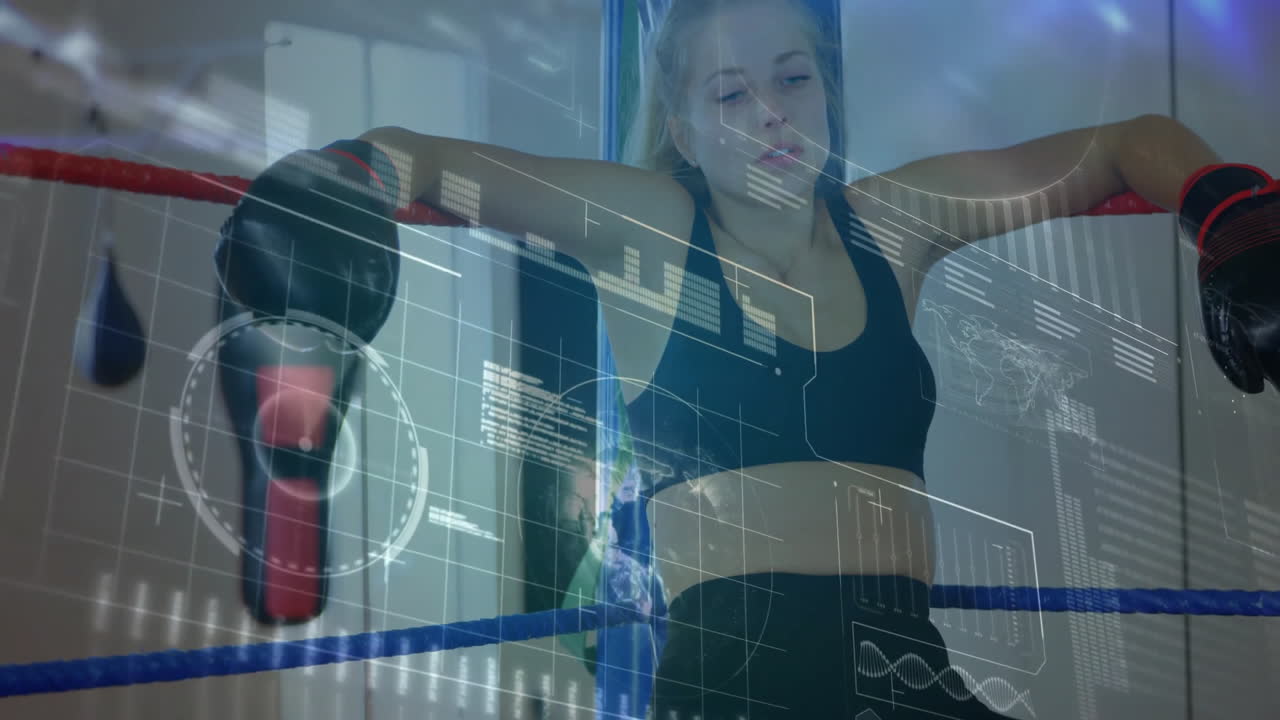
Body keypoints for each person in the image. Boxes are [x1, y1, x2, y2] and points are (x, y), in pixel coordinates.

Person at [217, 1, 1279, 715]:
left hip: (905, 677)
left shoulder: (889, 226)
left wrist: (1226, 212)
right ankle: (293, 423)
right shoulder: (646, 227)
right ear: (680, 125)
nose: (771, 117)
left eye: (792, 80)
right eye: (729, 96)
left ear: (826, 89)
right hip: (735, 689)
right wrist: (345, 173)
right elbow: (428, 158)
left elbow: (1122, 141)